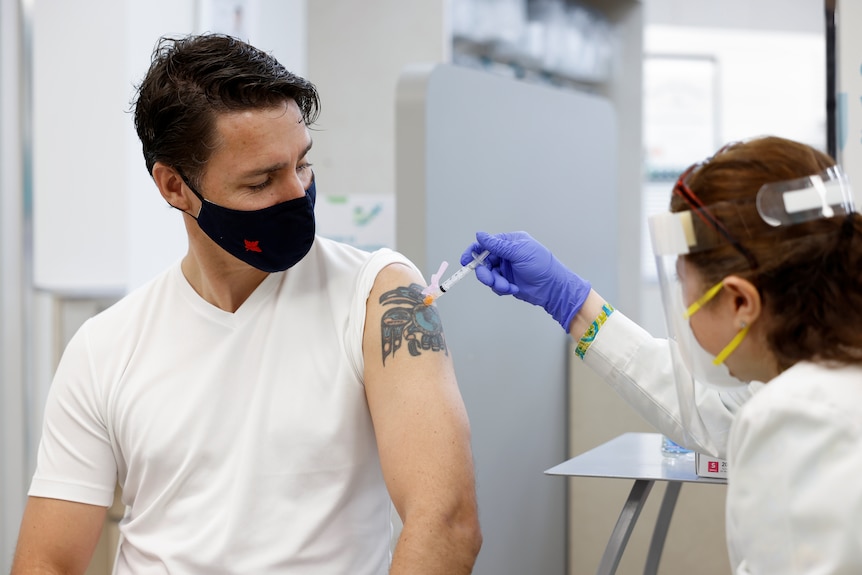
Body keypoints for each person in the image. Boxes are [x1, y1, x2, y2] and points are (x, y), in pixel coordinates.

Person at [12, 34, 481, 575]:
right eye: (261, 180)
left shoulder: (378, 297)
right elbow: (47, 560)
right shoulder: (105, 345)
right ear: (174, 187)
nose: (295, 192)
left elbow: (446, 522)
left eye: (301, 164)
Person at [464, 136, 862, 572]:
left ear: (739, 303)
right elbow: (713, 413)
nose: (684, 306)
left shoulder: (802, 420)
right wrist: (569, 301)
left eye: (682, 282)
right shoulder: (822, 381)